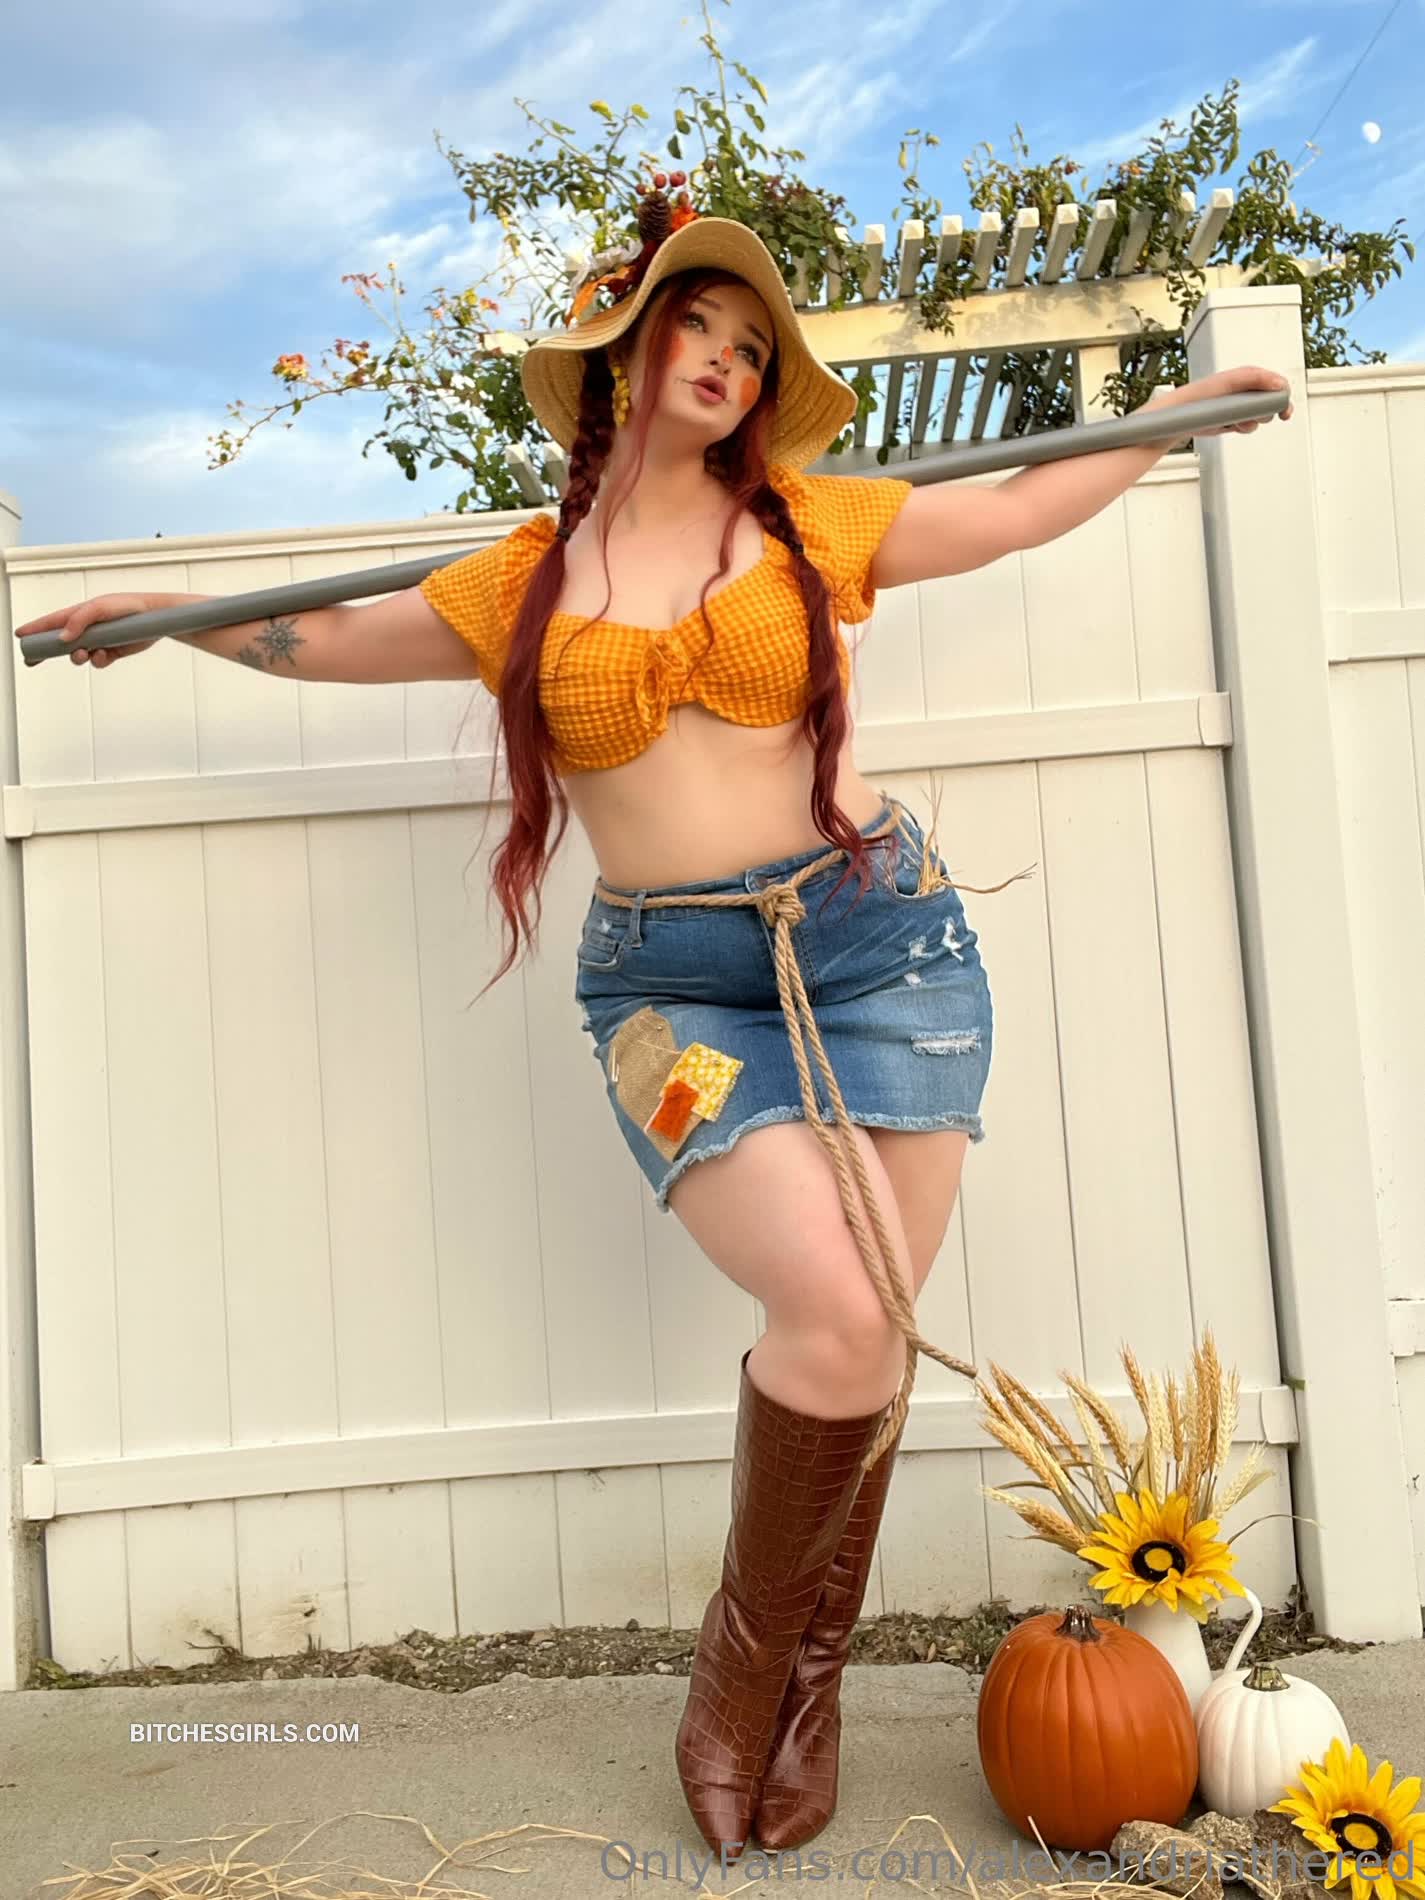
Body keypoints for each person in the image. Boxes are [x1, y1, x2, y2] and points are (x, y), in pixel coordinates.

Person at [17, 177, 1292, 1862]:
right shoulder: (519, 583)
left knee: (864, 1348)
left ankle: (802, 1695)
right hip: (668, 989)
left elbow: (1013, 514)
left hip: (884, 952)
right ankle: (737, 1679)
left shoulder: (812, 524)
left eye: (750, 344)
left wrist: (1171, 421)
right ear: (619, 353)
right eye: (694, 322)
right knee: (836, 1312)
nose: (723, 358)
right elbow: (322, 636)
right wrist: (160, 628)